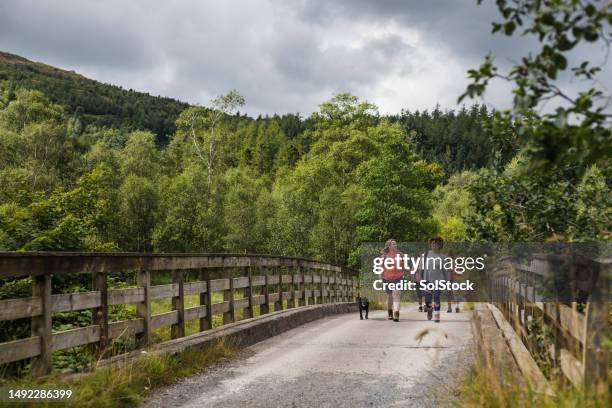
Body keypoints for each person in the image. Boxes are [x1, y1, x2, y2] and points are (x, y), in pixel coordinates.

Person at [421, 236, 448, 323]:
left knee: (437, 297)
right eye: (432, 243)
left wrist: (447, 281)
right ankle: (429, 309)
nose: (434, 245)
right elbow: (420, 267)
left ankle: (437, 315)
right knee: (427, 299)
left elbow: (446, 270)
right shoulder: (425, 254)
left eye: (436, 243)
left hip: (438, 281)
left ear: (440, 245)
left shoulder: (443, 257)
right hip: (427, 280)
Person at [381, 239, 404, 322]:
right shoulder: (385, 255)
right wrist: (381, 277)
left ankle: (396, 313)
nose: (395, 245)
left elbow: (404, 265)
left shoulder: (400, 254)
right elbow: (381, 267)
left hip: (398, 277)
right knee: (390, 296)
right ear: (389, 246)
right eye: (393, 244)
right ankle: (390, 312)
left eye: (396, 244)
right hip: (387, 278)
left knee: (397, 293)